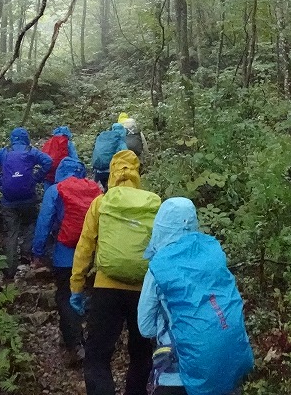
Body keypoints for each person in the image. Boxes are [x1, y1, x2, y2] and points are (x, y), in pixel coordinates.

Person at [137, 197, 254, 395]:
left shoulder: (158, 268)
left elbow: (145, 327)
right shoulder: (213, 255)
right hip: (224, 370)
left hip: (176, 377)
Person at [71, 150, 160, 395]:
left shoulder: (101, 202)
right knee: (141, 353)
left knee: (97, 355)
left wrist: (77, 286)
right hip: (143, 290)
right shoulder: (154, 203)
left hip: (106, 288)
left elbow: (85, 246)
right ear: (137, 172)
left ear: (111, 172)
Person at [32, 156, 103, 366]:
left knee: (66, 296)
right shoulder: (94, 190)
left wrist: (38, 251)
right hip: (92, 255)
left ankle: (74, 343)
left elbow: (44, 221)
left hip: (65, 255)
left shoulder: (55, 190)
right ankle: (94, 341)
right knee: (90, 294)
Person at [0, 127, 53, 278]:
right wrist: (36, 178)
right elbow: (48, 161)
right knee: (30, 222)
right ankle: (27, 253)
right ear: (27, 138)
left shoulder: (4, 152)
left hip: (8, 199)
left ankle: (10, 270)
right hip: (28, 197)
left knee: (11, 232)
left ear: (12, 139)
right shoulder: (31, 152)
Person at [90, 121, 128, 190]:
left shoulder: (104, 139)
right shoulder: (120, 141)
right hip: (111, 171)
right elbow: (126, 156)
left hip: (98, 170)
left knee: (103, 189)